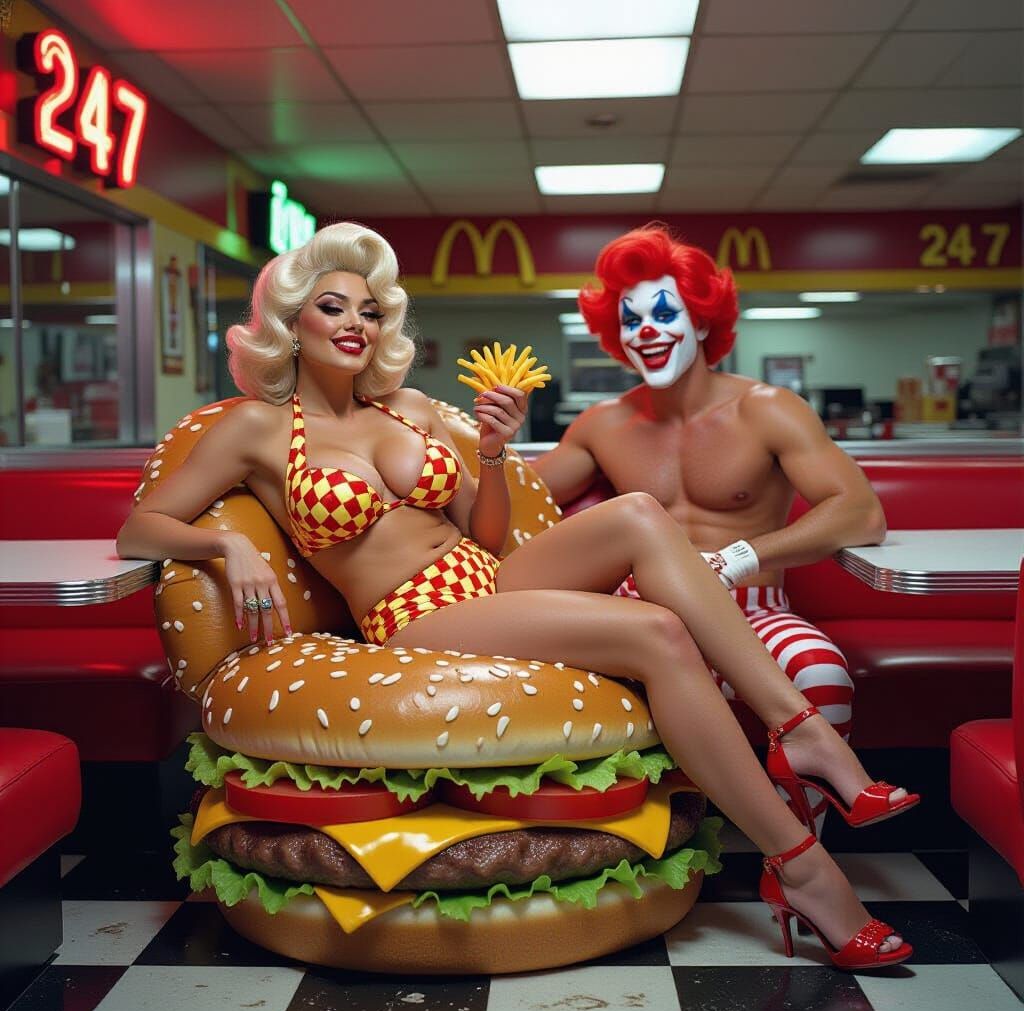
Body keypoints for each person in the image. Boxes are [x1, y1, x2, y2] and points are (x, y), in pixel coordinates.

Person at [117, 221, 913, 969]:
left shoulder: (409, 408)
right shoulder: (254, 428)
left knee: (639, 513)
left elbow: (488, 532)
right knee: (657, 632)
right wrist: (223, 545)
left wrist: (493, 453)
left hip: (488, 575)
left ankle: (800, 730)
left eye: (370, 310)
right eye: (333, 307)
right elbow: (140, 529)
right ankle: (801, 865)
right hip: (416, 612)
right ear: (292, 320)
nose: (355, 323)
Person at [535, 225, 900, 833]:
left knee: (820, 672)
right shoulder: (602, 424)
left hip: (755, 607)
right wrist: (485, 444)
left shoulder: (767, 408)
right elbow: (523, 501)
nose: (646, 330)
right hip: (644, 619)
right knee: (599, 694)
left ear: (702, 321)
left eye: (663, 313)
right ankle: (665, 843)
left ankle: (802, 851)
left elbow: (861, 512)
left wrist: (737, 558)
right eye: (630, 320)